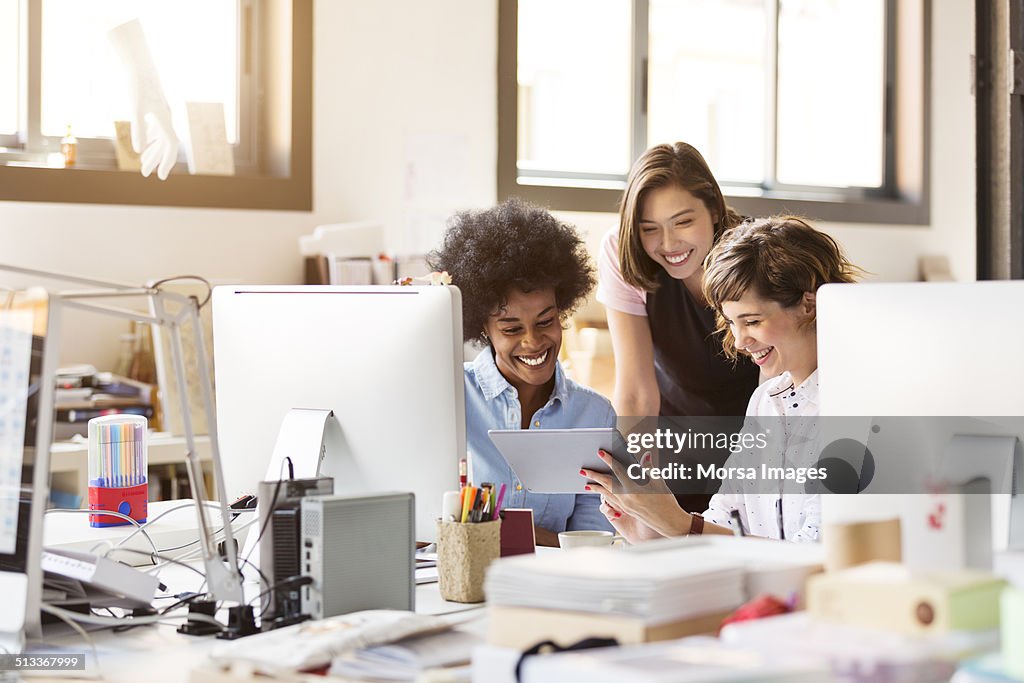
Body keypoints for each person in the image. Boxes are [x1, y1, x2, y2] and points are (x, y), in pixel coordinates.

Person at [583, 216, 863, 543]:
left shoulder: (855, 406)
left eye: (753, 321)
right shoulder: (766, 402)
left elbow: (817, 554)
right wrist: (654, 533)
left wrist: (680, 525)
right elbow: (725, 518)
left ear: (809, 305)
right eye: (731, 322)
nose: (741, 340)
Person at [428, 199, 615, 546]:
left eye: (545, 321)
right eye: (512, 329)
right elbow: (426, 522)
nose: (533, 341)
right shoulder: (448, 396)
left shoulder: (594, 415)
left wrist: (501, 534)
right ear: (483, 328)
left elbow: (595, 539)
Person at [597, 142, 760, 420]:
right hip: (672, 428)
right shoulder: (621, 251)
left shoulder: (759, 252)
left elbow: (782, 385)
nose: (669, 244)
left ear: (714, 210)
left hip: (756, 424)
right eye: (649, 228)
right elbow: (635, 394)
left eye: (683, 222)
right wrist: (633, 462)